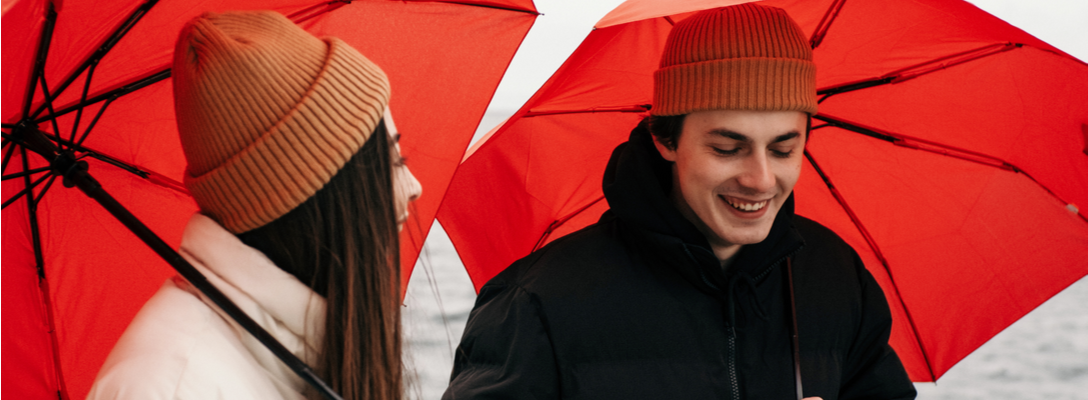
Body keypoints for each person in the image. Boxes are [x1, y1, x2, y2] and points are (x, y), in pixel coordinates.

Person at [444, 4, 915, 400]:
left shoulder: (836, 275)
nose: (760, 179)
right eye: (727, 148)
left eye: (783, 149)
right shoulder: (538, 303)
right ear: (665, 139)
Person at [86, 10, 421, 400]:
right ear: (311, 197)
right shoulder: (168, 387)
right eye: (395, 163)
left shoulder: (310, 350)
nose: (413, 187)